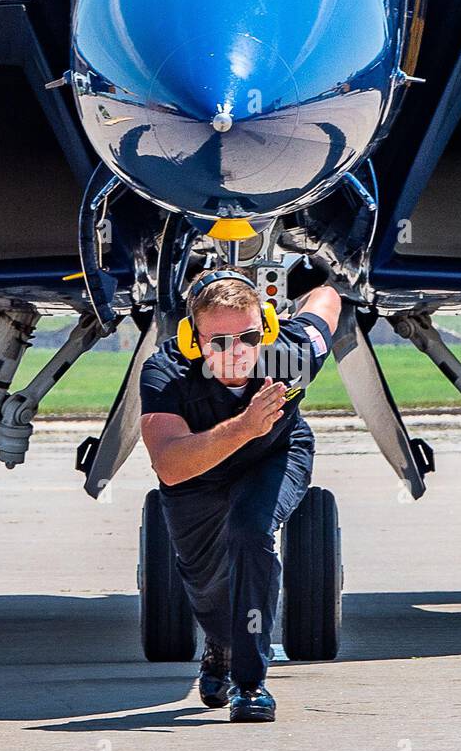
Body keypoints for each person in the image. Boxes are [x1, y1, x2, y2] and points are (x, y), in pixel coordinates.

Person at [139, 269, 342, 722]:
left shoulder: (289, 355)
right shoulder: (167, 374)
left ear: (266, 327)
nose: (238, 352)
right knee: (204, 581)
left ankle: (250, 686)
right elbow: (169, 466)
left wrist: (323, 273)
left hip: (275, 455)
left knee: (250, 531)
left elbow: (327, 302)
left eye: (249, 336)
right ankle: (222, 642)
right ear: (193, 339)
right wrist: (244, 427)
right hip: (195, 473)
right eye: (220, 342)